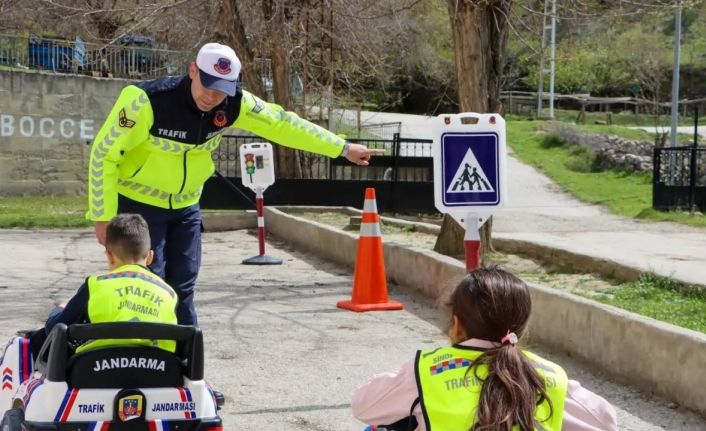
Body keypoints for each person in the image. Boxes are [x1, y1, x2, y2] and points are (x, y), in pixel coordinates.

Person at [86, 42, 383, 326]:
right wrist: (102, 216)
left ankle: (186, 355)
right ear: (192, 70)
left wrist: (342, 148)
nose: (211, 97)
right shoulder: (145, 101)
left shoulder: (235, 104)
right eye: (207, 85)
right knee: (147, 284)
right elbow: (104, 154)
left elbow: (282, 123)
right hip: (139, 207)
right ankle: (142, 353)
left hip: (186, 207)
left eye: (221, 90)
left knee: (184, 286)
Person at [352, 267, 618, 431]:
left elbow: (363, 406)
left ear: (456, 324)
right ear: (522, 327)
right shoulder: (549, 376)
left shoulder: (427, 371)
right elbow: (606, 422)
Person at [35, 213, 178, 354]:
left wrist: (60, 309)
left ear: (109, 255)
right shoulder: (169, 293)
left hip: (97, 365)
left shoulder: (95, 285)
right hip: (157, 365)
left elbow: (53, 328)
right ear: (150, 257)